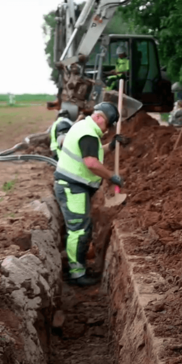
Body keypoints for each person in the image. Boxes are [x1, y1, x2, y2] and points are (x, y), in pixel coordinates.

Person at [54, 102, 126, 286]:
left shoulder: (83, 127)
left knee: (80, 228)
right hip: (73, 187)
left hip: (73, 186)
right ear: (100, 118)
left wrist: (111, 146)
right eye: (108, 124)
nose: (107, 129)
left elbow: (91, 151)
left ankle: (78, 268)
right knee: (78, 230)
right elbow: (92, 163)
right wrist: (112, 177)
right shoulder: (88, 134)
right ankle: (77, 274)